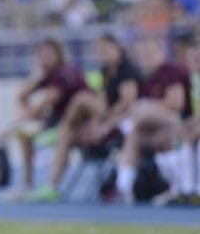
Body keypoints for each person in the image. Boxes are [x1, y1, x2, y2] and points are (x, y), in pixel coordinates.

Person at [25, 34, 141, 202]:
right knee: (68, 134)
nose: (104, 53)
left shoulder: (127, 71)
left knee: (81, 99)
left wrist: (104, 124)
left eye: (107, 49)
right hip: (102, 120)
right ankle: (52, 186)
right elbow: (101, 100)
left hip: (120, 125)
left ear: (118, 49)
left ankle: (59, 128)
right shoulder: (104, 72)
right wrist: (94, 124)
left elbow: (127, 104)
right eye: (100, 50)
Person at [115, 36, 193, 203]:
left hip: (179, 123)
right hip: (158, 129)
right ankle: (124, 188)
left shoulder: (171, 70)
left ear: (161, 52)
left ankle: (184, 189)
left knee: (141, 112)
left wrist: (147, 106)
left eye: (150, 52)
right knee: (135, 135)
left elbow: (176, 104)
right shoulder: (148, 78)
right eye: (142, 54)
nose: (146, 57)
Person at [10, 38, 89, 194]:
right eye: (41, 54)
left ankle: (52, 186)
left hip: (77, 125)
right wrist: (36, 76)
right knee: (25, 134)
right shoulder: (47, 75)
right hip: (57, 123)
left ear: (58, 55)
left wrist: (26, 117)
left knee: (62, 132)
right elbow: (21, 96)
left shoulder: (65, 74)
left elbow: (46, 102)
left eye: (49, 53)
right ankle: (27, 183)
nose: (44, 57)